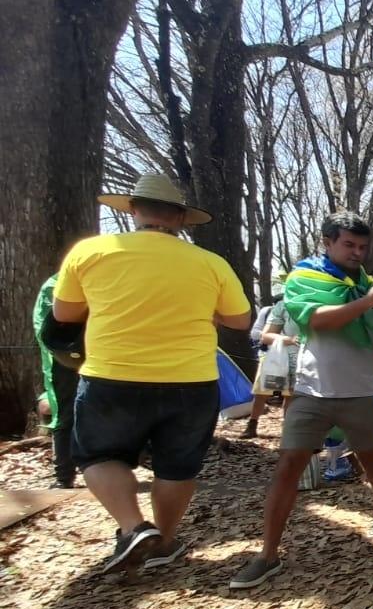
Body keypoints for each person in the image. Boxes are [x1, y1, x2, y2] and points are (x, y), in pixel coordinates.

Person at [52, 174, 251, 573]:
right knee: (177, 465)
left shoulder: (91, 251)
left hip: (112, 375)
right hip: (191, 380)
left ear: (134, 210)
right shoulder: (210, 263)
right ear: (180, 218)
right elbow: (240, 319)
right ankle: (163, 538)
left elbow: (63, 315)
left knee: (99, 455)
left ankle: (133, 527)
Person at [230, 211, 373, 589]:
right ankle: (267, 555)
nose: (357, 253)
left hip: (360, 391)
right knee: (288, 465)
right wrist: (366, 304)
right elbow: (315, 320)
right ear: (327, 242)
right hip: (311, 391)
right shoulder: (304, 279)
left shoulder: (372, 286)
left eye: (362, 246)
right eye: (348, 245)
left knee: (370, 459)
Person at [32, 274, 80, 488]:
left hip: (106, 352)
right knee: (64, 412)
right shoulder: (56, 284)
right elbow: (50, 327)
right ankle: (63, 476)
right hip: (66, 355)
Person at [242, 295, 300, 439]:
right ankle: (252, 424)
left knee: (290, 394)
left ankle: (287, 429)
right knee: (263, 392)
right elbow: (258, 333)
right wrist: (283, 339)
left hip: (295, 360)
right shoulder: (270, 311)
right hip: (272, 357)